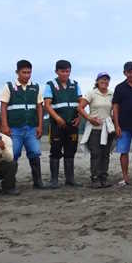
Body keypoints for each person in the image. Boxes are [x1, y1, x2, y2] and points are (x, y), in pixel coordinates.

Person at [0, 59, 44, 189]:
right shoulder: (9, 87)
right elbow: (3, 106)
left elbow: (39, 107)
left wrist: (40, 126)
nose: (27, 75)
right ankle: (9, 183)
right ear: (17, 72)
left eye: (29, 72)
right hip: (14, 128)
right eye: (24, 72)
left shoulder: (35, 87)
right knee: (13, 154)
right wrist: (5, 126)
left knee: (35, 152)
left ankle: (38, 182)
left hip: (31, 128)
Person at [44, 59, 82, 188]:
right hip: (57, 125)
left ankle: (70, 179)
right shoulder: (50, 85)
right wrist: (57, 118)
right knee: (55, 150)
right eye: (62, 71)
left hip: (72, 124)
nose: (65, 74)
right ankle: (54, 180)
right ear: (56, 71)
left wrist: (79, 118)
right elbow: (47, 105)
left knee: (71, 150)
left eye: (67, 71)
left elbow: (81, 103)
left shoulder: (75, 85)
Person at [78, 72, 115, 188]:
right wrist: (89, 118)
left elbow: (114, 110)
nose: (104, 82)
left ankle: (104, 177)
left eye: (106, 80)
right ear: (97, 81)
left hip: (107, 128)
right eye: (102, 80)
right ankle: (95, 178)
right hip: (94, 128)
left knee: (106, 154)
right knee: (96, 154)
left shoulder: (111, 94)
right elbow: (80, 107)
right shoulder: (91, 93)